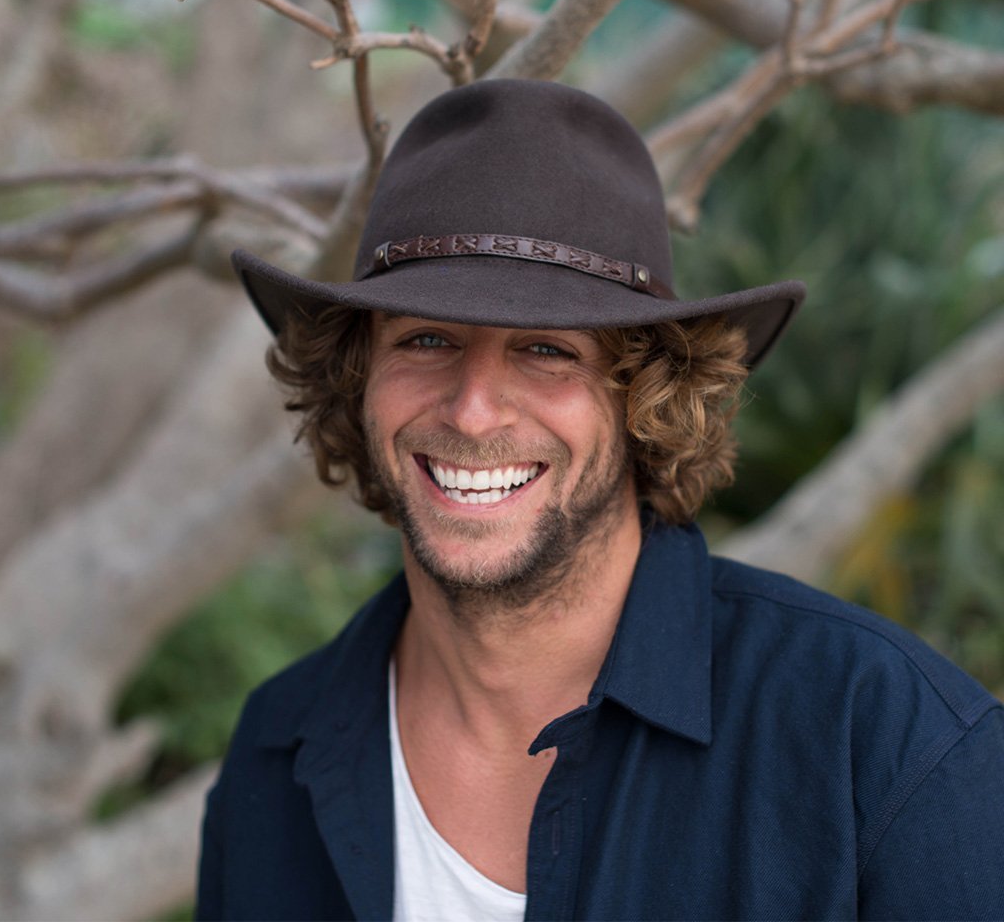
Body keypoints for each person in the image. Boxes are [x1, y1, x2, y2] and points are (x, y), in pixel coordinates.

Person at [197, 79, 1004, 921]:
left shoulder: (887, 746)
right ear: (357, 382)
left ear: (646, 396)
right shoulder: (277, 749)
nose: (474, 410)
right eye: (426, 339)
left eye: (546, 350)